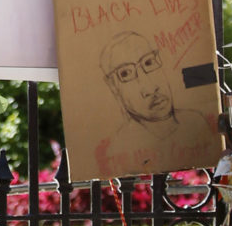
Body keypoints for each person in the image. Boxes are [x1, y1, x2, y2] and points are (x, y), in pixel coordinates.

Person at [93, 31, 219, 177]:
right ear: (113, 86)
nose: (150, 88)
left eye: (149, 62)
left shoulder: (197, 122)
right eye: (126, 73)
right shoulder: (116, 149)